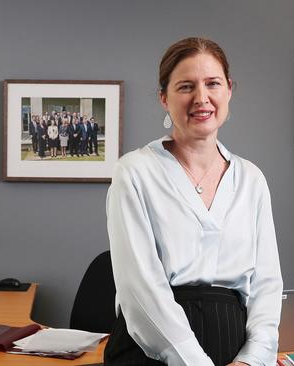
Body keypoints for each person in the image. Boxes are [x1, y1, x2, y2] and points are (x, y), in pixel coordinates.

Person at [105, 37, 282, 366]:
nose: (201, 98)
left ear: (229, 89)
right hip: (151, 351)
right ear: (164, 98)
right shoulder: (134, 172)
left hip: (236, 348)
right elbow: (140, 290)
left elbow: (267, 285)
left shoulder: (251, 179)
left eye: (212, 83)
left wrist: (253, 358)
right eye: (186, 86)